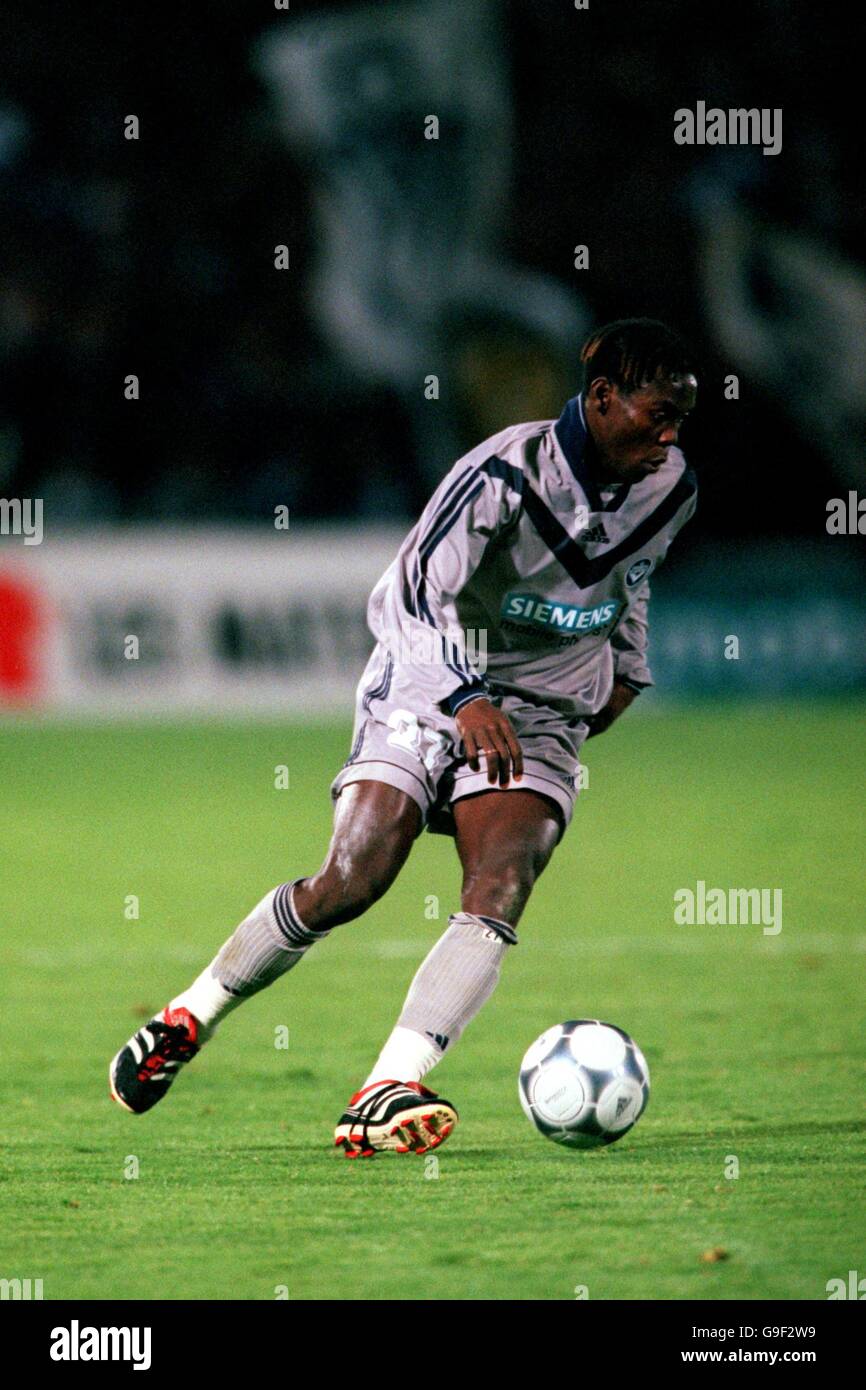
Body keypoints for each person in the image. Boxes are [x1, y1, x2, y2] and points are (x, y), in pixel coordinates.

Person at [109, 318, 698, 1158]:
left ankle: (388, 1084)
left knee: (501, 882)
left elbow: (632, 579)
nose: (671, 433)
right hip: (432, 682)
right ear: (603, 399)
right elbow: (412, 601)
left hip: (542, 706)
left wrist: (630, 666)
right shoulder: (499, 474)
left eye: (682, 416)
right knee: (354, 878)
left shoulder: (669, 484)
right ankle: (189, 1015)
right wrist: (463, 697)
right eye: (659, 411)